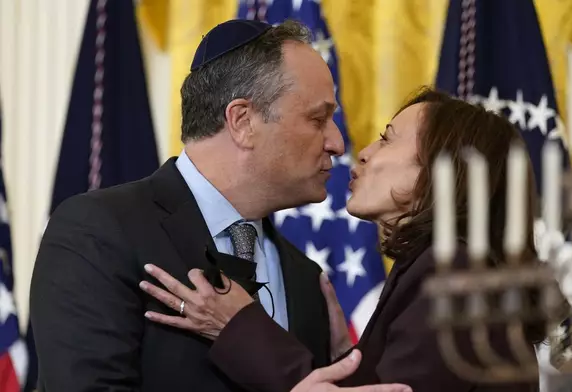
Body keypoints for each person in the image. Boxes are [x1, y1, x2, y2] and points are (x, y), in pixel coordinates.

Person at [30, 19, 400, 392]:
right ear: (242, 121)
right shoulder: (99, 231)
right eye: (318, 119)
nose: (337, 143)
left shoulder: (307, 279)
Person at [140, 87, 547, 391]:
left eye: (387, 138)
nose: (363, 152)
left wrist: (238, 327)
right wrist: (348, 361)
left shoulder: (454, 269)